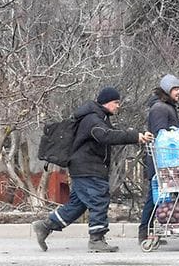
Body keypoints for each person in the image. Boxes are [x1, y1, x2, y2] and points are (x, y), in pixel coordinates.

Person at [32, 86, 153, 253]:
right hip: (88, 168)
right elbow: (104, 135)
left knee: (77, 205)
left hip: (82, 167)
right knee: (99, 199)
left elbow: (109, 133)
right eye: (116, 102)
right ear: (106, 102)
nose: (118, 106)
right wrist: (133, 136)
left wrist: (135, 135)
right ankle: (97, 239)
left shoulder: (98, 117)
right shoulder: (93, 119)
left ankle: (45, 226)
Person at [137, 74, 179, 244]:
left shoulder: (167, 107)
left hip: (166, 160)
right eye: (175, 89)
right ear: (166, 90)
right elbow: (162, 136)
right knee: (155, 195)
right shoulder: (160, 108)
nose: (178, 92)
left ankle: (151, 230)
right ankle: (145, 232)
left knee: (162, 195)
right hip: (161, 160)